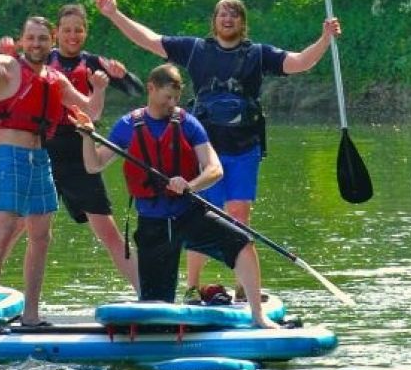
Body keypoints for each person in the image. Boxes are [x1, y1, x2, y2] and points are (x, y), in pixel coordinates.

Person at [94, 0, 342, 300]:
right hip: (202, 148)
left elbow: (299, 63)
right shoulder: (196, 49)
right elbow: (150, 40)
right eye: (222, 14)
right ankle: (192, 286)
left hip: (243, 147)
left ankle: (244, 286)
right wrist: (114, 14)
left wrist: (324, 39)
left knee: (239, 213)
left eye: (234, 14)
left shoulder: (258, 54)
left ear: (242, 22)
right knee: (200, 213)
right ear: (214, 21)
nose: (227, 18)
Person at [75, 63, 279, 329]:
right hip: (153, 227)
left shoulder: (187, 123)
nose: (171, 104)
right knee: (156, 312)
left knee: (242, 241)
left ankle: (257, 315)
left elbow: (214, 169)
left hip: (188, 215)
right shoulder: (128, 125)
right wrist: (87, 136)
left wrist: (191, 185)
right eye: (166, 97)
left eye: (176, 98)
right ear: (151, 89)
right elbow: (94, 165)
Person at [0, 4, 143, 296]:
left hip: (78, 155)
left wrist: (120, 75)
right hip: (41, 151)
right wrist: (4, 54)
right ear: (56, 33)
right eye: (67, 30)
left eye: (78, 30)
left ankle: (143, 292)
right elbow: (10, 69)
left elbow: (134, 90)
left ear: (85, 32)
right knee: (13, 227)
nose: (72, 36)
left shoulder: (94, 63)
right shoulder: (40, 56)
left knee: (108, 231)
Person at [0, 16, 109, 334]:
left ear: (51, 42)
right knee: (2, 230)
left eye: (43, 38)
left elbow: (91, 111)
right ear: (22, 40)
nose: (36, 44)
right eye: (31, 38)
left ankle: (31, 314)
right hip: (9, 156)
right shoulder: (7, 65)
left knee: (41, 236)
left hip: (41, 157)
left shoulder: (56, 79)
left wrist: (98, 89)